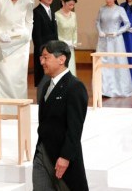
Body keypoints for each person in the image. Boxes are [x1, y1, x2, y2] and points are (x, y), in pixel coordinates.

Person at [33, 40, 88, 191]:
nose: (42, 62)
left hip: (62, 158)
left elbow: (75, 128)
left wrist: (65, 157)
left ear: (61, 59)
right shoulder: (45, 87)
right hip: (42, 153)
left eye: (46, 57)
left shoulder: (75, 87)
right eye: (41, 58)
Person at [0, 0, 34, 112]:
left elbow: (29, 20)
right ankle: (3, 108)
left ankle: (19, 107)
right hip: (4, 42)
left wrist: (28, 35)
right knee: (4, 75)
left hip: (21, 43)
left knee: (19, 76)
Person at [96, 0, 132, 97]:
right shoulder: (101, 9)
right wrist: (100, 31)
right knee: (103, 64)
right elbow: (97, 22)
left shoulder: (120, 9)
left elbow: (127, 24)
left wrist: (118, 32)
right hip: (104, 40)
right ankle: (104, 89)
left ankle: (119, 89)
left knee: (117, 62)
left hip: (116, 40)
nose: (108, 0)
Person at [32, 0, 58, 87]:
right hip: (43, 51)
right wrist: (42, 53)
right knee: (43, 80)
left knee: (53, 78)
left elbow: (55, 33)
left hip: (53, 50)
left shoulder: (52, 11)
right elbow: (36, 35)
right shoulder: (37, 12)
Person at [56, 0, 79, 76]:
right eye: (69, 5)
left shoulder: (73, 15)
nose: (71, 7)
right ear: (63, 3)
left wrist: (74, 42)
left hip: (71, 47)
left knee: (71, 67)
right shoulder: (57, 15)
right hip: (61, 46)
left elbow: (75, 30)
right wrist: (63, 42)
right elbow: (56, 32)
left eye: (73, 5)